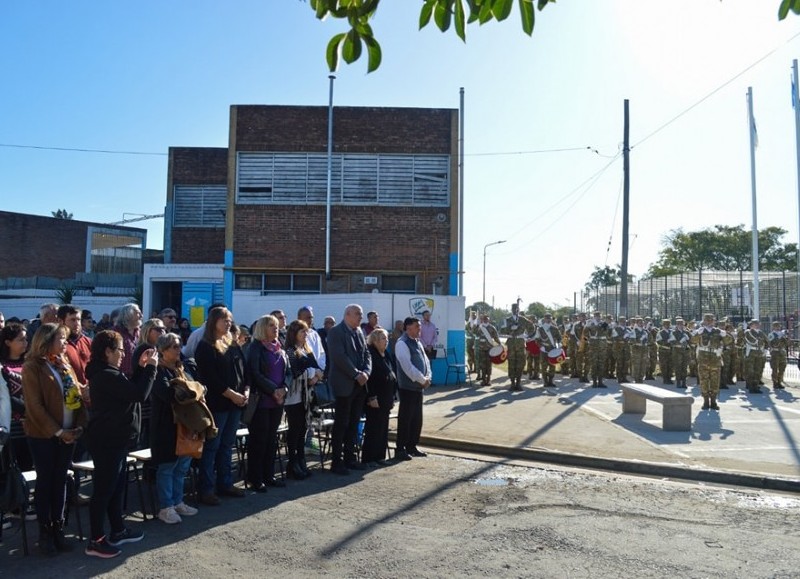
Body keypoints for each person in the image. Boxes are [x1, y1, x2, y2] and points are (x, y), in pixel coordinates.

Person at [84, 330, 157, 558]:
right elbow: (138, 394)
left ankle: (118, 530)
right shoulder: (105, 374)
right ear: (108, 351)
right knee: (104, 490)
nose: (123, 353)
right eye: (120, 350)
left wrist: (142, 368)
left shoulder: (111, 373)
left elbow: (128, 390)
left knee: (116, 488)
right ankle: (95, 540)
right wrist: (152, 368)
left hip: (117, 438)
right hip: (107, 439)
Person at [22, 323, 88, 556]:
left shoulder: (63, 363)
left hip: (69, 434)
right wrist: (59, 432)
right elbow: (35, 407)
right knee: (46, 482)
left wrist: (79, 426)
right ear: (46, 340)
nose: (64, 343)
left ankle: (59, 528)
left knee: (60, 481)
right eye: (60, 339)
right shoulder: (32, 367)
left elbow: (76, 396)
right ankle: (45, 532)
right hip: (43, 435)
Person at [195, 306, 248, 504]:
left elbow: (243, 371)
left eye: (229, 320)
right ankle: (206, 489)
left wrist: (244, 392)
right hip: (218, 404)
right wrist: (232, 394)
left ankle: (225, 483)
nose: (228, 323)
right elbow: (211, 379)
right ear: (213, 322)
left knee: (227, 445)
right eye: (224, 320)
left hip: (235, 403)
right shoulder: (205, 347)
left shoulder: (232, 345)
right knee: (212, 447)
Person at [149, 332, 199, 525]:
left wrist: (190, 389)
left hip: (185, 425)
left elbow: (195, 388)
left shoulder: (181, 368)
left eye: (180, 346)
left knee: (181, 466)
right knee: (167, 467)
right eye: (174, 347)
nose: (179, 350)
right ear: (162, 351)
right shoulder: (157, 371)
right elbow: (170, 394)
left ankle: (178, 501)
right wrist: (190, 390)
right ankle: (166, 506)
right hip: (165, 426)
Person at [326, 304, 371, 475]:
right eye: (358, 314)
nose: (361, 317)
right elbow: (339, 357)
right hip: (344, 385)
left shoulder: (360, 331)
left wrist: (366, 372)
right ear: (347, 315)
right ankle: (337, 462)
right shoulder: (336, 332)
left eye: (361, 314)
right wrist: (355, 374)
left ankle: (350, 458)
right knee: (341, 424)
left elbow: (367, 354)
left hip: (359, 385)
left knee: (354, 423)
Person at [245, 314, 288, 491]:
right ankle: (256, 478)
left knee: (271, 440)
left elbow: (288, 371)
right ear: (263, 328)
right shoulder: (255, 348)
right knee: (259, 441)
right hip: (262, 401)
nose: (276, 328)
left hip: (277, 401)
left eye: (277, 325)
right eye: (271, 325)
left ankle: (269, 475)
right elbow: (255, 373)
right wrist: (273, 390)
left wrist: (284, 388)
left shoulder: (279, 347)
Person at [284, 319, 321, 480]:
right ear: (294, 334)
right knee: (295, 430)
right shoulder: (290, 351)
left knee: (303, 430)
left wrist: (315, 375)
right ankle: (292, 464)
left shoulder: (306, 348)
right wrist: (313, 374)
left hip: (307, 395)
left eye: (306, 331)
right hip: (294, 397)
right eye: (302, 332)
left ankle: (301, 461)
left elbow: (317, 368)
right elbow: (298, 372)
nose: (306, 334)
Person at [394, 317, 432, 462]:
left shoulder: (417, 342)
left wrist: (428, 377)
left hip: (418, 388)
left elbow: (426, 361)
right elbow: (408, 367)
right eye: (417, 326)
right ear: (408, 327)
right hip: (408, 388)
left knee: (417, 419)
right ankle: (400, 449)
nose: (419, 329)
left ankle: (412, 446)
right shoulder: (402, 343)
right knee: (406, 419)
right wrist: (422, 380)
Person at [362, 328, 396, 467]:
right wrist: (371, 397)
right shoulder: (371, 354)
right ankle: (369, 458)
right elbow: (370, 379)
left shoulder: (385, 354)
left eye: (387, 338)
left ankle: (379, 456)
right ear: (375, 340)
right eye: (383, 338)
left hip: (386, 397)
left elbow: (392, 373)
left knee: (383, 428)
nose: (386, 341)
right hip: (375, 398)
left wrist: (393, 396)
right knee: (373, 428)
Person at [0, 323, 33, 470]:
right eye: (21, 340)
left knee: (28, 465)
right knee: (12, 468)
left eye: (26, 339)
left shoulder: (30, 364)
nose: (25, 343)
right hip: (12, 425)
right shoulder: (2, 366)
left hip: (33, 424)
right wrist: (29, 410)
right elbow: (6, 395)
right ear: (8, 342)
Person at [690, 313, 726, 410]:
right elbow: (692, 341)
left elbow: (728, 341)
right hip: (703, 359)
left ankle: (713, 401)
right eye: (708, 320)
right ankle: (706, 401)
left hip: (715, 359)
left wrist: (725, 334)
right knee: (703, 380)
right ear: (704, 321)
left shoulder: (717, 331)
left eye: (711, 320)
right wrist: (697, 333)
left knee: (715, 380)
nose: (710, 322)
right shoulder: (700, 331)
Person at [503, 303, 533, 391]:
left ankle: (518, 383)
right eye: (513, 309)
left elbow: (532, 328)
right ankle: (512, 383)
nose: (515, 310)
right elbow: (502, 330)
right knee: (511, 364)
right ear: (511, 310)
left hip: (520, 343)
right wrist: (510, 329)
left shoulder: (523, 319)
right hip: (511, 343)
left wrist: (527, 336)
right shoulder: (507, 320)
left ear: (518, 309)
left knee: (521, 363)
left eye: (516, 308)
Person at [113, 303, 143, 378]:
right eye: (138, 313)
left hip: (137, 376)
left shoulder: (140, 333)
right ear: (128, 315)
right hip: (119, 376)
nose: (141, 316)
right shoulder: (115, 333)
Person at [583, 311, 611, 387]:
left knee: (601, 364)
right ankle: (595, 381)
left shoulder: (603, 324)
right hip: (593, 347)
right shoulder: (590, 324)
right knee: (594, 364)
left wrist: (607, 327)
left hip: (602, 347)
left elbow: (609, 334)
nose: (598, 317)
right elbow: (584, 335)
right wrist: (588, 341)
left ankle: (600, 382)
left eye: (599, 316)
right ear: (594, 316)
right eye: (596, 316)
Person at [534, 313, 562, 388]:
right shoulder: (540, 329)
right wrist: (541, 346)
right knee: (544, 366)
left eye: (550, 318)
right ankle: (545, 381)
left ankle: (551, 381)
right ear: (544, 319)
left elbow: (559, 338)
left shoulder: (555, 328)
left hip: (553, 349)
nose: (548, 320)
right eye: (547, 318)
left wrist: (559, 344)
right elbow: (537, 340)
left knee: (552, 365)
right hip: (544, 350)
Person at [743, 319, 768, 394]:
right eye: (754, 324)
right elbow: (746, 340)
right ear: (751, 325)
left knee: (758, 370)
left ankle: (756, 386)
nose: (756, 325)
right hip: (751, 353)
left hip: (759, 352)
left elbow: (766, 341)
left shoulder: (761, 333)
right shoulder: (748, 332)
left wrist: (765, 350)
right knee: (750, 370)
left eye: (757, 324)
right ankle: (750, 386)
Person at [475, 314, 500, 387]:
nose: (486, 320)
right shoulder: (480, 327)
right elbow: (475, 333)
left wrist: (499, 344)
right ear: (483, 320)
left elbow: (496, 337)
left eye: (487, 319)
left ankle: (488, 379)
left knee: (489, 365)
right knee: (482, 364)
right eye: (484, 319)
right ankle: (483, 380)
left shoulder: (492, 328)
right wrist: (476, 325)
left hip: (490, 349)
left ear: (489, 320)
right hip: (481, 349)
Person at [627, 317, 650, 384]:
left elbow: (650, 340)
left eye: (642, 322)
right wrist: (640, 340)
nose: (641, 324)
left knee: (643, 365)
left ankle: (641, 379)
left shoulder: (645, 331)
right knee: (637, 365)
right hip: (637, 350)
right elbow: (631, 341)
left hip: (644, 350)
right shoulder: (634, 331)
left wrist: (646, 340)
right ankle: (637, 380)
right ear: (637, 323)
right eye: (640, 323)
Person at [669, 318, 691, 389]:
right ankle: (678, 382)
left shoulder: (686, 332)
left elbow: (691, 341)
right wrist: (680, 342)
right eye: (679, 324)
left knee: (684, 367)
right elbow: (672, 342)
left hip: (685, 352)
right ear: (676, 325)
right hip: (677, 352)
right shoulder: (674, 333)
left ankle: (684, 382)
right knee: (678, 367)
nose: (680, 326)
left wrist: (688, 339)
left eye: (682, 324)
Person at [767, 321, 789, 390]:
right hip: (775, 353)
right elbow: (770, 344)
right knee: (775, 369)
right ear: (773, 327)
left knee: (782, 368)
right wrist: (778, 338)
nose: (777, 327)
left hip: (782, 353)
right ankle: (775, 382)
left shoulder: (782, 334)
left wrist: (785, 337)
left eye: (778, 326)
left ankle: (779, 382)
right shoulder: (771, 334)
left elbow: (787, 344)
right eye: (776, 326)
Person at [655, 319, 674, 385]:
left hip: (671, 351)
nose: (667, 326)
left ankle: (669, 378)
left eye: (668, 324)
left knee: (670, 365)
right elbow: (659, 341)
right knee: (664, 365)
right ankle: (665, 379)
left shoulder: (671, 332)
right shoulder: (660, 332)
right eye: (666, 324)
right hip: (663, 351)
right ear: (663, 325)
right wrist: (667, 341)